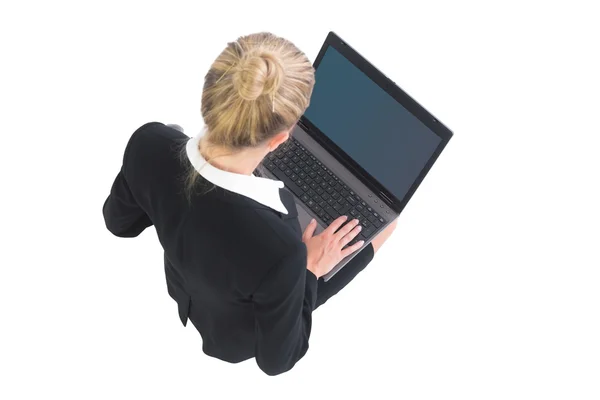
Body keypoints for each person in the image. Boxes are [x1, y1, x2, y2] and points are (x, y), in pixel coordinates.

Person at [102, 32, 398, 376]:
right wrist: (310, 269)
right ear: (279, 140)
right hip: (235, 336)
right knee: (386, 226)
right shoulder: (285, 251)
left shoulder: (148, 143)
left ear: (208, 96)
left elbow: (118, 223)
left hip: (186, 286)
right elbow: (278, 360)